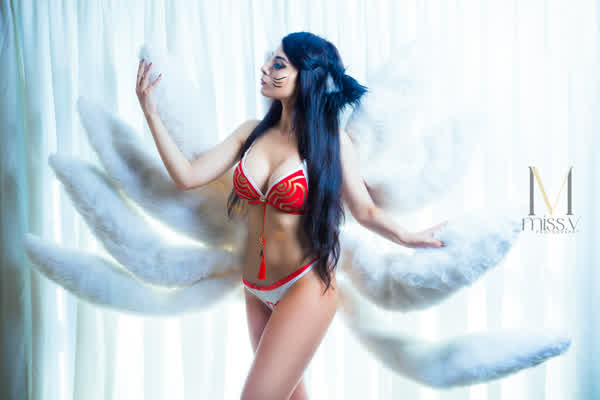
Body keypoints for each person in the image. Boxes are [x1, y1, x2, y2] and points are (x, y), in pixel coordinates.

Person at [136, 31, 446, 400]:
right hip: (255, 288)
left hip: (305, 286)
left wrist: (408, 236)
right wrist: (151, 114)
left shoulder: (331, 141)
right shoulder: (251, 132)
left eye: (279, 63)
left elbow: (365, 210)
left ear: (307, 78)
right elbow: (188, 176)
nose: (265, 68)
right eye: (271, 59)